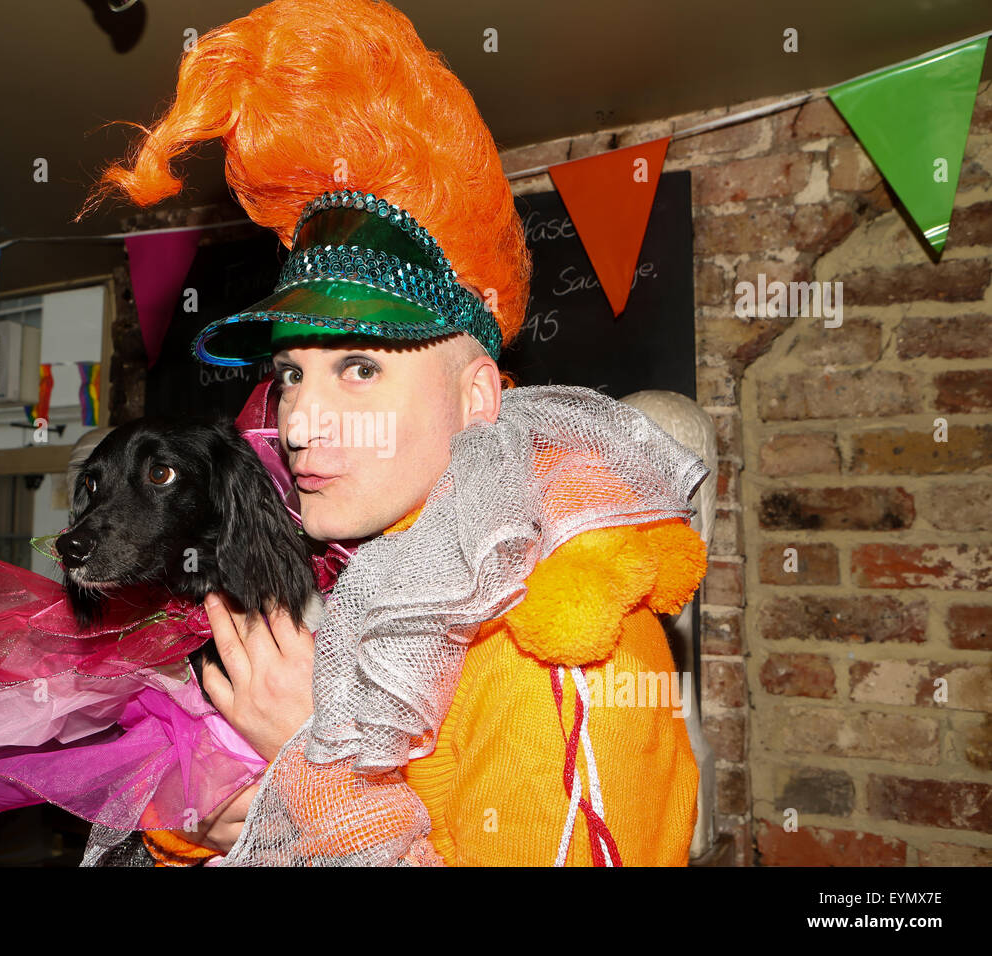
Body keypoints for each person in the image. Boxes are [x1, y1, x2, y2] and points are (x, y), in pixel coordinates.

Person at [81, 0, 709, 865]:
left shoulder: (563, 641)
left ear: (479, 396)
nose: (297, 419)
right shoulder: (370, 575)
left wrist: (311, 756)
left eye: (362, 368)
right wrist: (204, 821)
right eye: (293, 371)